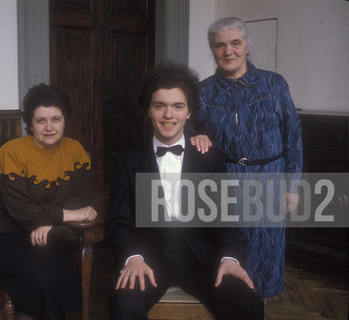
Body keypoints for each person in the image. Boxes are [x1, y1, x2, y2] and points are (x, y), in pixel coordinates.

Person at [106, 62, 264, 320]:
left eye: (178, 106)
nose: (169, 115)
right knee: (125, 307)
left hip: (201, 260)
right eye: (160, 106)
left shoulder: (209, 159)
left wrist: (229, 258)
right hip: (148, 260)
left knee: (248, 304)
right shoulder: (126, 161)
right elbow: (118, 223)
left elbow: (226, 221)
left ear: (189, 112)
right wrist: (133, 257)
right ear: (148, 110)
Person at [190, 17, 303, 299]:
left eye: (235, 43)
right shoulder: (203, 91)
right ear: (213, 50)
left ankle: (259, 307)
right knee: (228, 248)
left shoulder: (274, 84)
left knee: (265, 252)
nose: (228, 51)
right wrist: (196, 135)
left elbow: (293, 137)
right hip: (224, 179)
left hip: (271, 177)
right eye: (220, 45)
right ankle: (232, 305)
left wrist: (292, 187)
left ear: (247, 47)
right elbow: (189, 128)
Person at [0, 83, 98, 319]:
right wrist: (64, 216)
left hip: (36, 231)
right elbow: (20, 210)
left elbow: (81, 196)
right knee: (41, 281)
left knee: (66, 273)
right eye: (41, 121)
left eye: (56, 119)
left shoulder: (74, 150)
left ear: (65, 120)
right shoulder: (11, 151)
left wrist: (47, 221)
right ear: (30, 123)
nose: (50, 127)